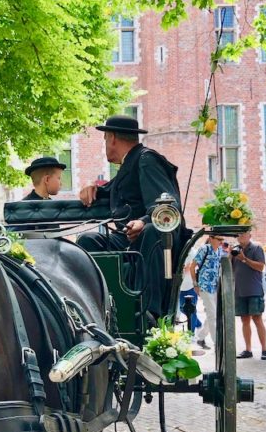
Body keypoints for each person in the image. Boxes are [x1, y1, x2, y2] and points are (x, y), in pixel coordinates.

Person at [76, 115, 187, 317]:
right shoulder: (130, 164)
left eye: (105, 140)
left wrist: (143, 222)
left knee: (152, 231)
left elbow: (167, 205)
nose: (106, 146)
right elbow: (114, 190)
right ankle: (95, 308)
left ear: (112, 138)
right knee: (88, 241)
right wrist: (92, 189)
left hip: (151, 239)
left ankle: (148, 312)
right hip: (127, 239)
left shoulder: (146, 160)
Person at [231, 227, 266, 360]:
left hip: (254, 290)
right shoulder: (235, 250)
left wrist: (244, 259)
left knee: (257, 319)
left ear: (249, 235)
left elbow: (260, 266)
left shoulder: (256, 248)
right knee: (244, 320)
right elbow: (230, 269)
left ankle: (264, 349)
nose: (240, 236)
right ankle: (248, 349)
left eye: (243, 233)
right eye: (239, 234)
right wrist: (229, 256)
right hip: (240, 290)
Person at [190, 233, 225, 350]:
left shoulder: (219, 250)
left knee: (213, 314)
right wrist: (195, 284)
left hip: (215, 286)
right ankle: (217, 343)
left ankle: (201, 337)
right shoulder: (204, 249)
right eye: (219, 239)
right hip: (205, 285)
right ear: (211, 239)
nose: (221, 242)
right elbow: (192, 266)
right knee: (212, 314)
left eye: (222, 239)